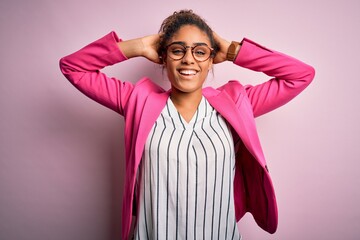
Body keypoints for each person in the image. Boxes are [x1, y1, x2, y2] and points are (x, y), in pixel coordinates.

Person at [59, 9, 315, 240]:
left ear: (212, 59)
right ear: (163, 57)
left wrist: (235, 51)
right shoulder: (137, 101)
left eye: (200, 51)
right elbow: (73, 67)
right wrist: (138, 46)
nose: (189, 60)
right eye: (177, 49)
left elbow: (300, 75)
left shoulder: (237, 103)